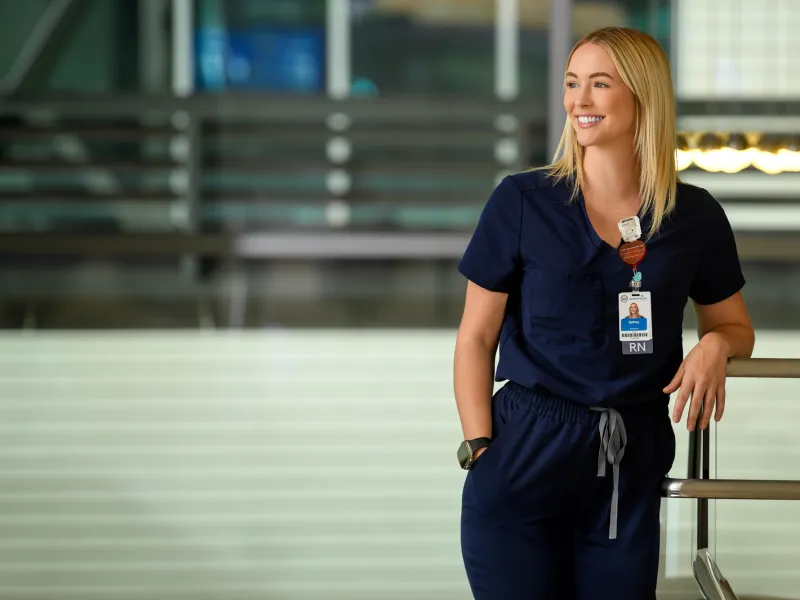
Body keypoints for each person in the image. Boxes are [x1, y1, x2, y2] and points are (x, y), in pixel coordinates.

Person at [453, 27, 755, 600]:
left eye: (599, 84)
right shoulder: (522, 201)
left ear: (643, 96)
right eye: (572, 84)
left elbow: (735, 327)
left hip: (629, 460)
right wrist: (480, 448)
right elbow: (475, 338)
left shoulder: (694, 216)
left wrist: (715, 345)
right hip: (526, 449)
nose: (579, 101)